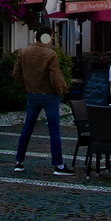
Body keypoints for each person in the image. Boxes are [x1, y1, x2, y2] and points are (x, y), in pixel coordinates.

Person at [15, 32, 71, 175]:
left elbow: (16, 73)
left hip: (33, 94)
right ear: (47, 37)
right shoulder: (50, 54)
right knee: (54, 130)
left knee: (27, 127)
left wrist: (27, 85)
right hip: (49, 94)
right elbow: (53, 76)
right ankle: (58, 165)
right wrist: (59, 91)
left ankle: (19, 162)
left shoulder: (25, 52)